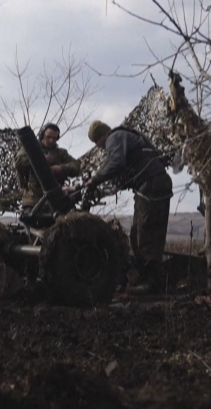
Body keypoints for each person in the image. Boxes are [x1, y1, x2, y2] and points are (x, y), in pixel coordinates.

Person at [85, 120, 173, 294]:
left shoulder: (114, 137)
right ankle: (144, 277)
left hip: (151, 184)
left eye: (97, 143)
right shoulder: (125, 137)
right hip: (153, 183)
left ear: (102, 136)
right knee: (137, 232)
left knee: (145, 232)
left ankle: (153, 283)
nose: (100, 147)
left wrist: (95, 179)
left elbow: (115, 163)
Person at [14, 123, 81, 213]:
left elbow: (76, 166)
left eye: (54, 138)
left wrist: (61, 168)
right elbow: (18, 162)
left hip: (55, 199)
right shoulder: (30, 149)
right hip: (33, 200)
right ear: (42, 135)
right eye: (48, 137)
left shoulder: (60, 153)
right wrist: (40, 159)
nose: (51, 140)